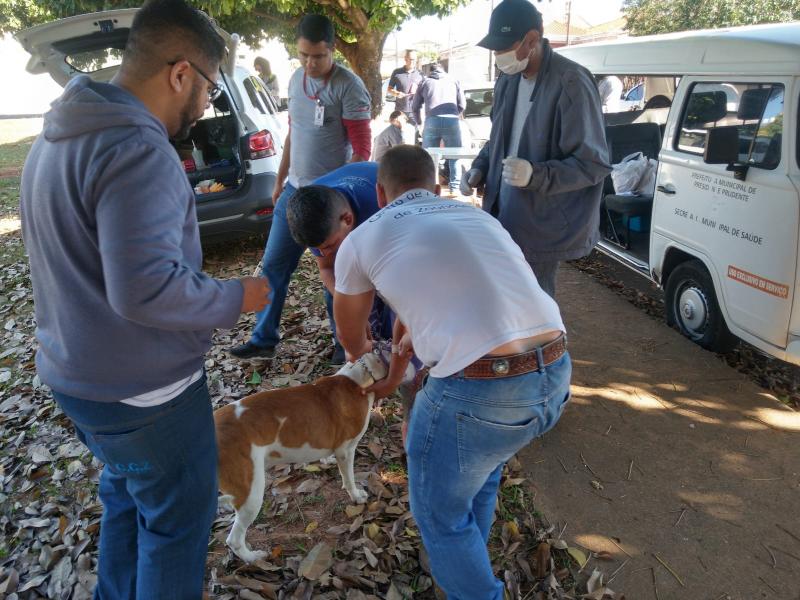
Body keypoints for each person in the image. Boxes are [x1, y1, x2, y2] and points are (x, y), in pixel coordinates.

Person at [19, 0, 271, 597]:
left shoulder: (56, 138)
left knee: (129, 497)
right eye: (210, 85)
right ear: (180, 73)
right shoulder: (139, 150)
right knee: (174, 528)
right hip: (146, 396)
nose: (209, 102)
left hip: (79, 381)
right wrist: (239, 295)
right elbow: (147, 290)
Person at [333, 145, 571, 600]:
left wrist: (384, 370)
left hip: (480, 392)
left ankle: (467, 580)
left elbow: (353, 343)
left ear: (380, 194)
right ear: (437, 186)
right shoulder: (478, 218)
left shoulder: (362, 239)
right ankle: (462, 564)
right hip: (555, 371)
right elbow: (448, 292)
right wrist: (413, 332)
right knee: (480, 469)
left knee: (440, 517)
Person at [230, 14, 372, 363]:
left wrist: (340, 196)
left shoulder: (349, 87)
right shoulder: (296, 80)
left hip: (330, 199)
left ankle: (344, 342)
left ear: (333, 51)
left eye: (318, 56)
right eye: (303, 55)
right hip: (294, 189)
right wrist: (280, 182)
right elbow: (293, 134)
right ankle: (263, 338)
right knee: (274, 265)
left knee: (336, 271)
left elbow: (362, 150)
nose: (309, 63)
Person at [461, 0, 611, 298]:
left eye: (504, 47)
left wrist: (535, 175)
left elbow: (592, 164)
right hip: (503, 212)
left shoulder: (572, 83)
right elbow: (499, 138)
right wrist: (480, 168)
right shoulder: (508, 80)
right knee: (503, 296)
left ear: (531, 40)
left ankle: (546, 346)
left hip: (541, 220)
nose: (498, 55)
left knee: (534, 304)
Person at [412, 61, 466, 193]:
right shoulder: (454, 81)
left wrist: (419, 122)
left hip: (431, 121)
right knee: (454, 156)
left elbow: (415, 106)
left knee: (429, 157)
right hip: (452, 120)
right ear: (443, 70)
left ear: (430, 71)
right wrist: (454, 115)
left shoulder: (425, 82)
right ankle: (455, 188)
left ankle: (431, 189)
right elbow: (462, 104)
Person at [387, 49, 424, 126]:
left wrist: (418, 92)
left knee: (414, 136)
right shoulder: (397, 72)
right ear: (405, 58)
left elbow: (424, 91)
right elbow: (389, 89)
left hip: (414, 111)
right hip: (400, 112)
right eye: (410, 59)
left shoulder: (420, 74)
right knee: (398, 135)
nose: (412, 61)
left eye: (414, 59)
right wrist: (396, 93)